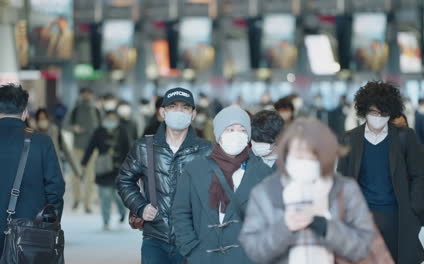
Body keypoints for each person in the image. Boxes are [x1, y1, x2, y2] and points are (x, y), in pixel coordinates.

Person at [239, 118, 375, 264]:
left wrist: (326, 227)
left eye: (312, 156)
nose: (304, 161)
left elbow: (364, 247)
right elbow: (253, 250)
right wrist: (285, 227)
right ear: (285, 154)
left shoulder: (345, 190)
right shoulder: (265, 193)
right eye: (298, 155)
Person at [117, 87, 212, 264]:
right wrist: (140, 206)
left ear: (193, 114)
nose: (179, 112)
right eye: (173, 106)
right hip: (155, 239)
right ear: (162, 112)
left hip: (194, 240)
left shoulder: (206, 150)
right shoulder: (145, 147)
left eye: (185, 108)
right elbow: (124, 180)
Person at [337, 81, 424, 264]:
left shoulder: (404, 136)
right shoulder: (350, 138)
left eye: (383, 113)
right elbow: (342, 178)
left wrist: (415, 207)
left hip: (397, 214)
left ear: (391, 113)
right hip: (362, 215)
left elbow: (419, 174)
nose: (378, 117)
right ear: (364, 111)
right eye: (373, 112)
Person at [172, 106, 273, 264]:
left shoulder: (263, 172)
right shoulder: (195, 169)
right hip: (203, 256)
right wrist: (190, 248)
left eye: (242, 130)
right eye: (230, 129)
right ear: (219, 134)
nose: (236, 135)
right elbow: (180, 212)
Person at [0, 83, 65, 257]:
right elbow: (55, 189)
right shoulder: (41, 143)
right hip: (29, 236)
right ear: (25, 112)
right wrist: (50, 224)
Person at [82, 111, 130, 231]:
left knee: (118, 196)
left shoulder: (122, 131)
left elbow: (129, 148)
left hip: (119, 169)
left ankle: (122, 211)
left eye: (113, 118)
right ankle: (106, 221)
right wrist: (84, 162)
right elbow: (90, 146)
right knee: (105, 196)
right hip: (103, 169)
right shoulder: (99, 131)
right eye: (108, 118)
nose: (111, 121)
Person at [68, 87, 101, 213]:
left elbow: (101, 128)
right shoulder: (75, 109)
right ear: (80, 95)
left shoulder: (96, 110)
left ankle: (88, 204)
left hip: (92, 148)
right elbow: (66, 124)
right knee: (76, 174)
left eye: (88, 93)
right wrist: (73, 128)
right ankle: (77, 199)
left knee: (90, 177)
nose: (86, 96)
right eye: (84, 94)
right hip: (78, 146)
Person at [35, 108, 81, 177]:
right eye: (40, 119)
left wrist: (76, 170)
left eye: (44, 118)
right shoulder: (33, 135)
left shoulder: (55, 131)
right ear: (37, 121)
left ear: (48, 118)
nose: (42, 121)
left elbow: (66, 152)